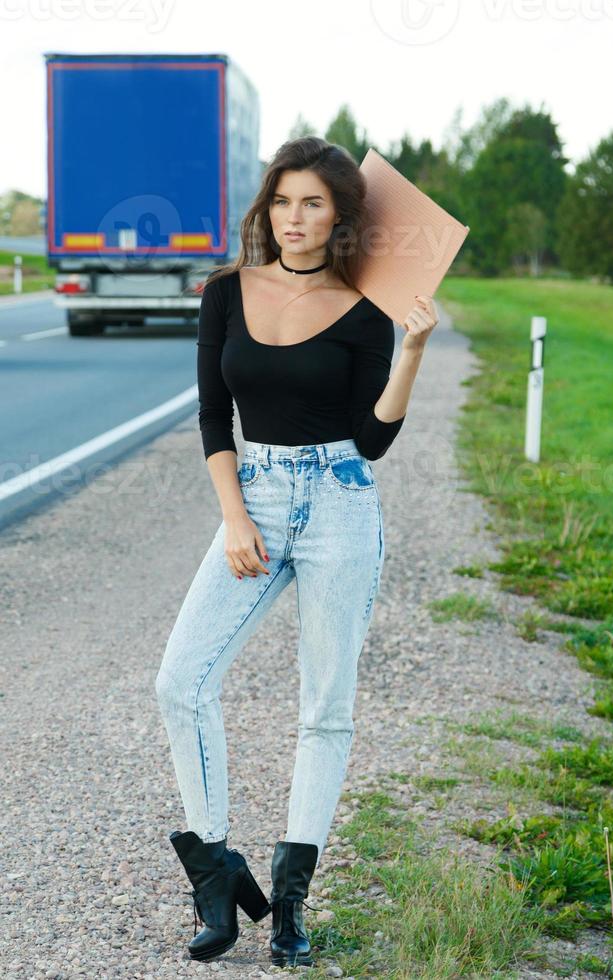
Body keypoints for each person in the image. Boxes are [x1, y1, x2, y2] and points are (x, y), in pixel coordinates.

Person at [155, 136, 438, 968]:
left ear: (341, 217)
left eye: (313, 203)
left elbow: (373, 440)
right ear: (266, 206)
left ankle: (287, 905)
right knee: (181, 681)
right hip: (258, 499)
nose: (294, 218)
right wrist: (235, 517)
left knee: (325, 707)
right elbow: (214, 416)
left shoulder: (366, 310)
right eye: (283, 200)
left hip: (342, 503)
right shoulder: (225, 292)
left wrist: (413, 350)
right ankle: (214, 872)